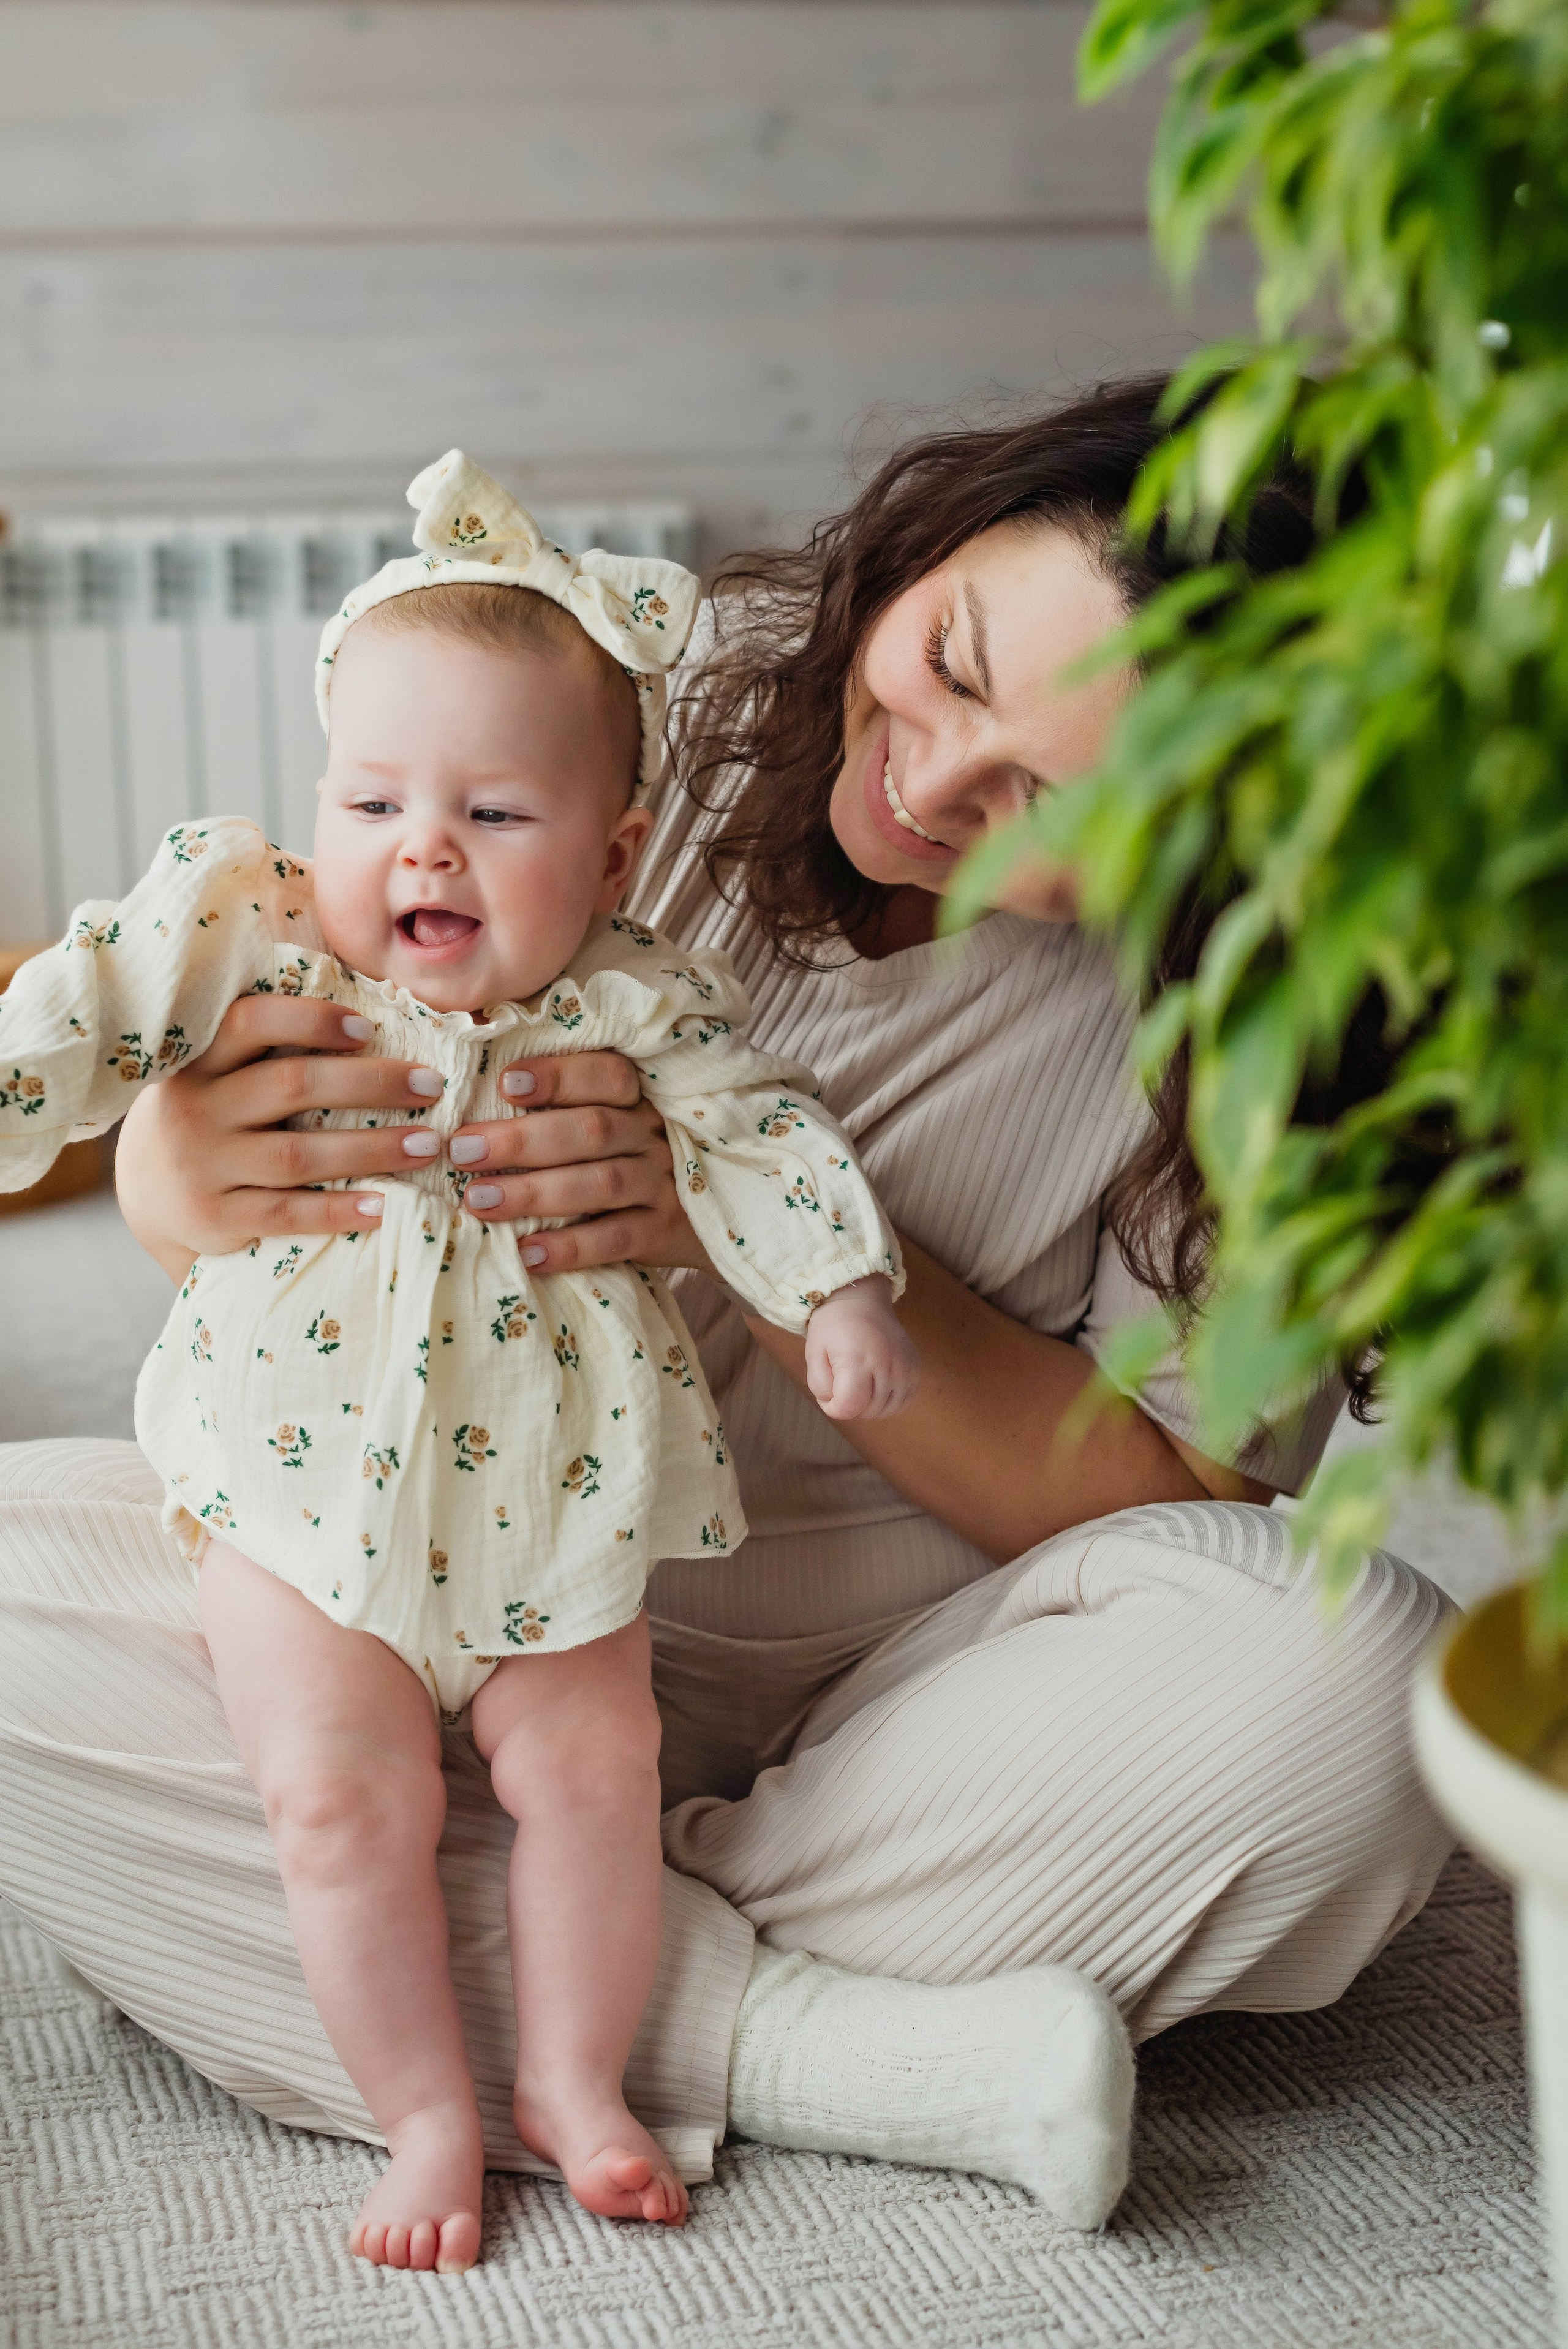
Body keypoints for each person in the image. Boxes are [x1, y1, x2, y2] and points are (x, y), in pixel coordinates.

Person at [0, 377, 1453, 2272]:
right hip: (410, 1584)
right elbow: (286, 1060)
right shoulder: (640, 694)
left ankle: (478, 1946)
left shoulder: (1273, 1028)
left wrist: (757, 1225)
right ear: (948, 532)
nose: (930, 785)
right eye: (948, 662)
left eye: (1050, 808)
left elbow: (1169, 1482)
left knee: (1360, 1681)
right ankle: (830, 2038)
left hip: (895, 1699)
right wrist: (170, 1175)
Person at [0, 451, 920, 2268]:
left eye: (495, 812)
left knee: (596, 1771)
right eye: (374, 797)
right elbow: (91, 995)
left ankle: (578, 2079)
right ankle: (422, 2104)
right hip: (301, 1496)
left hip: (549, 1502)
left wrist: (842, 1294)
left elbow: (760, 1136)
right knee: (341, 1800)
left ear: (613, 853)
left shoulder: (640, 1000)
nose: (420, 844)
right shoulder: (257, 926)